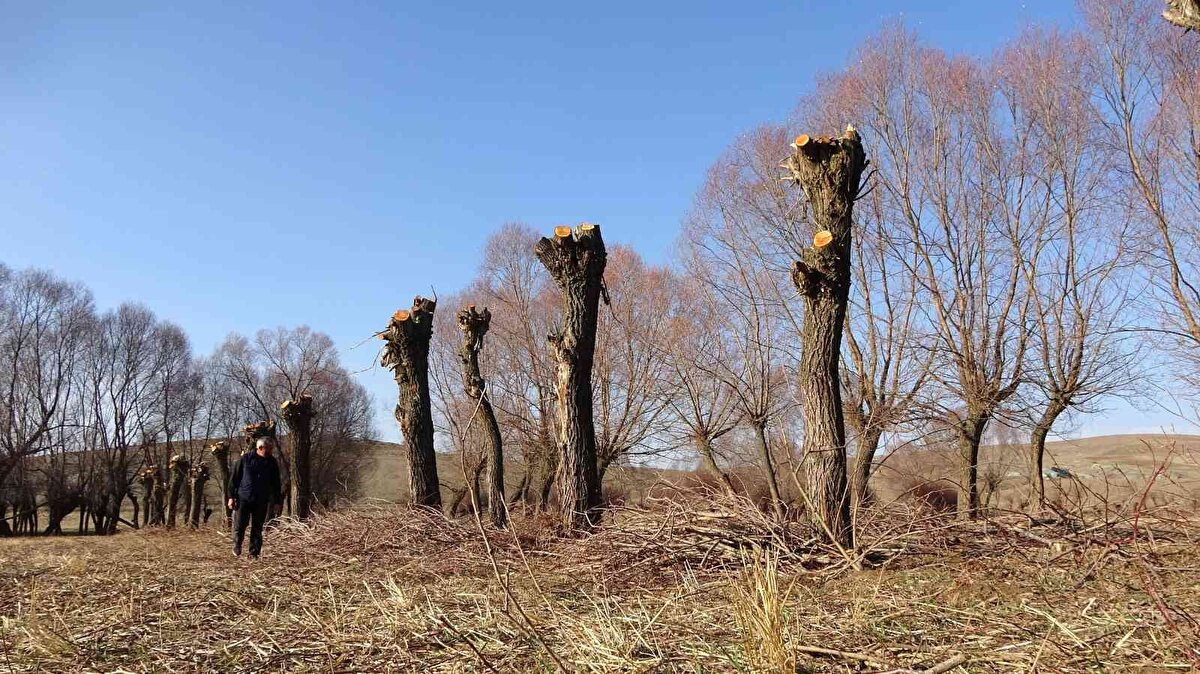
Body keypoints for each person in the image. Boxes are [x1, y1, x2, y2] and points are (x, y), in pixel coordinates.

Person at [227, 437, 283, 559]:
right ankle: (237, 545)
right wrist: (231, 497)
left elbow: (276, 483)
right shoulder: (245, 459)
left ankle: (254, 553)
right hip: (244, 498)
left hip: (262, 500)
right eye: (269, 449)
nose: (271, 451)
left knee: (257, 528)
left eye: (272, 448)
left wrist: (277, 502)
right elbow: (234, 479)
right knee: (240, 525)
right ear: (260, 448)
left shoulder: (272, 462)